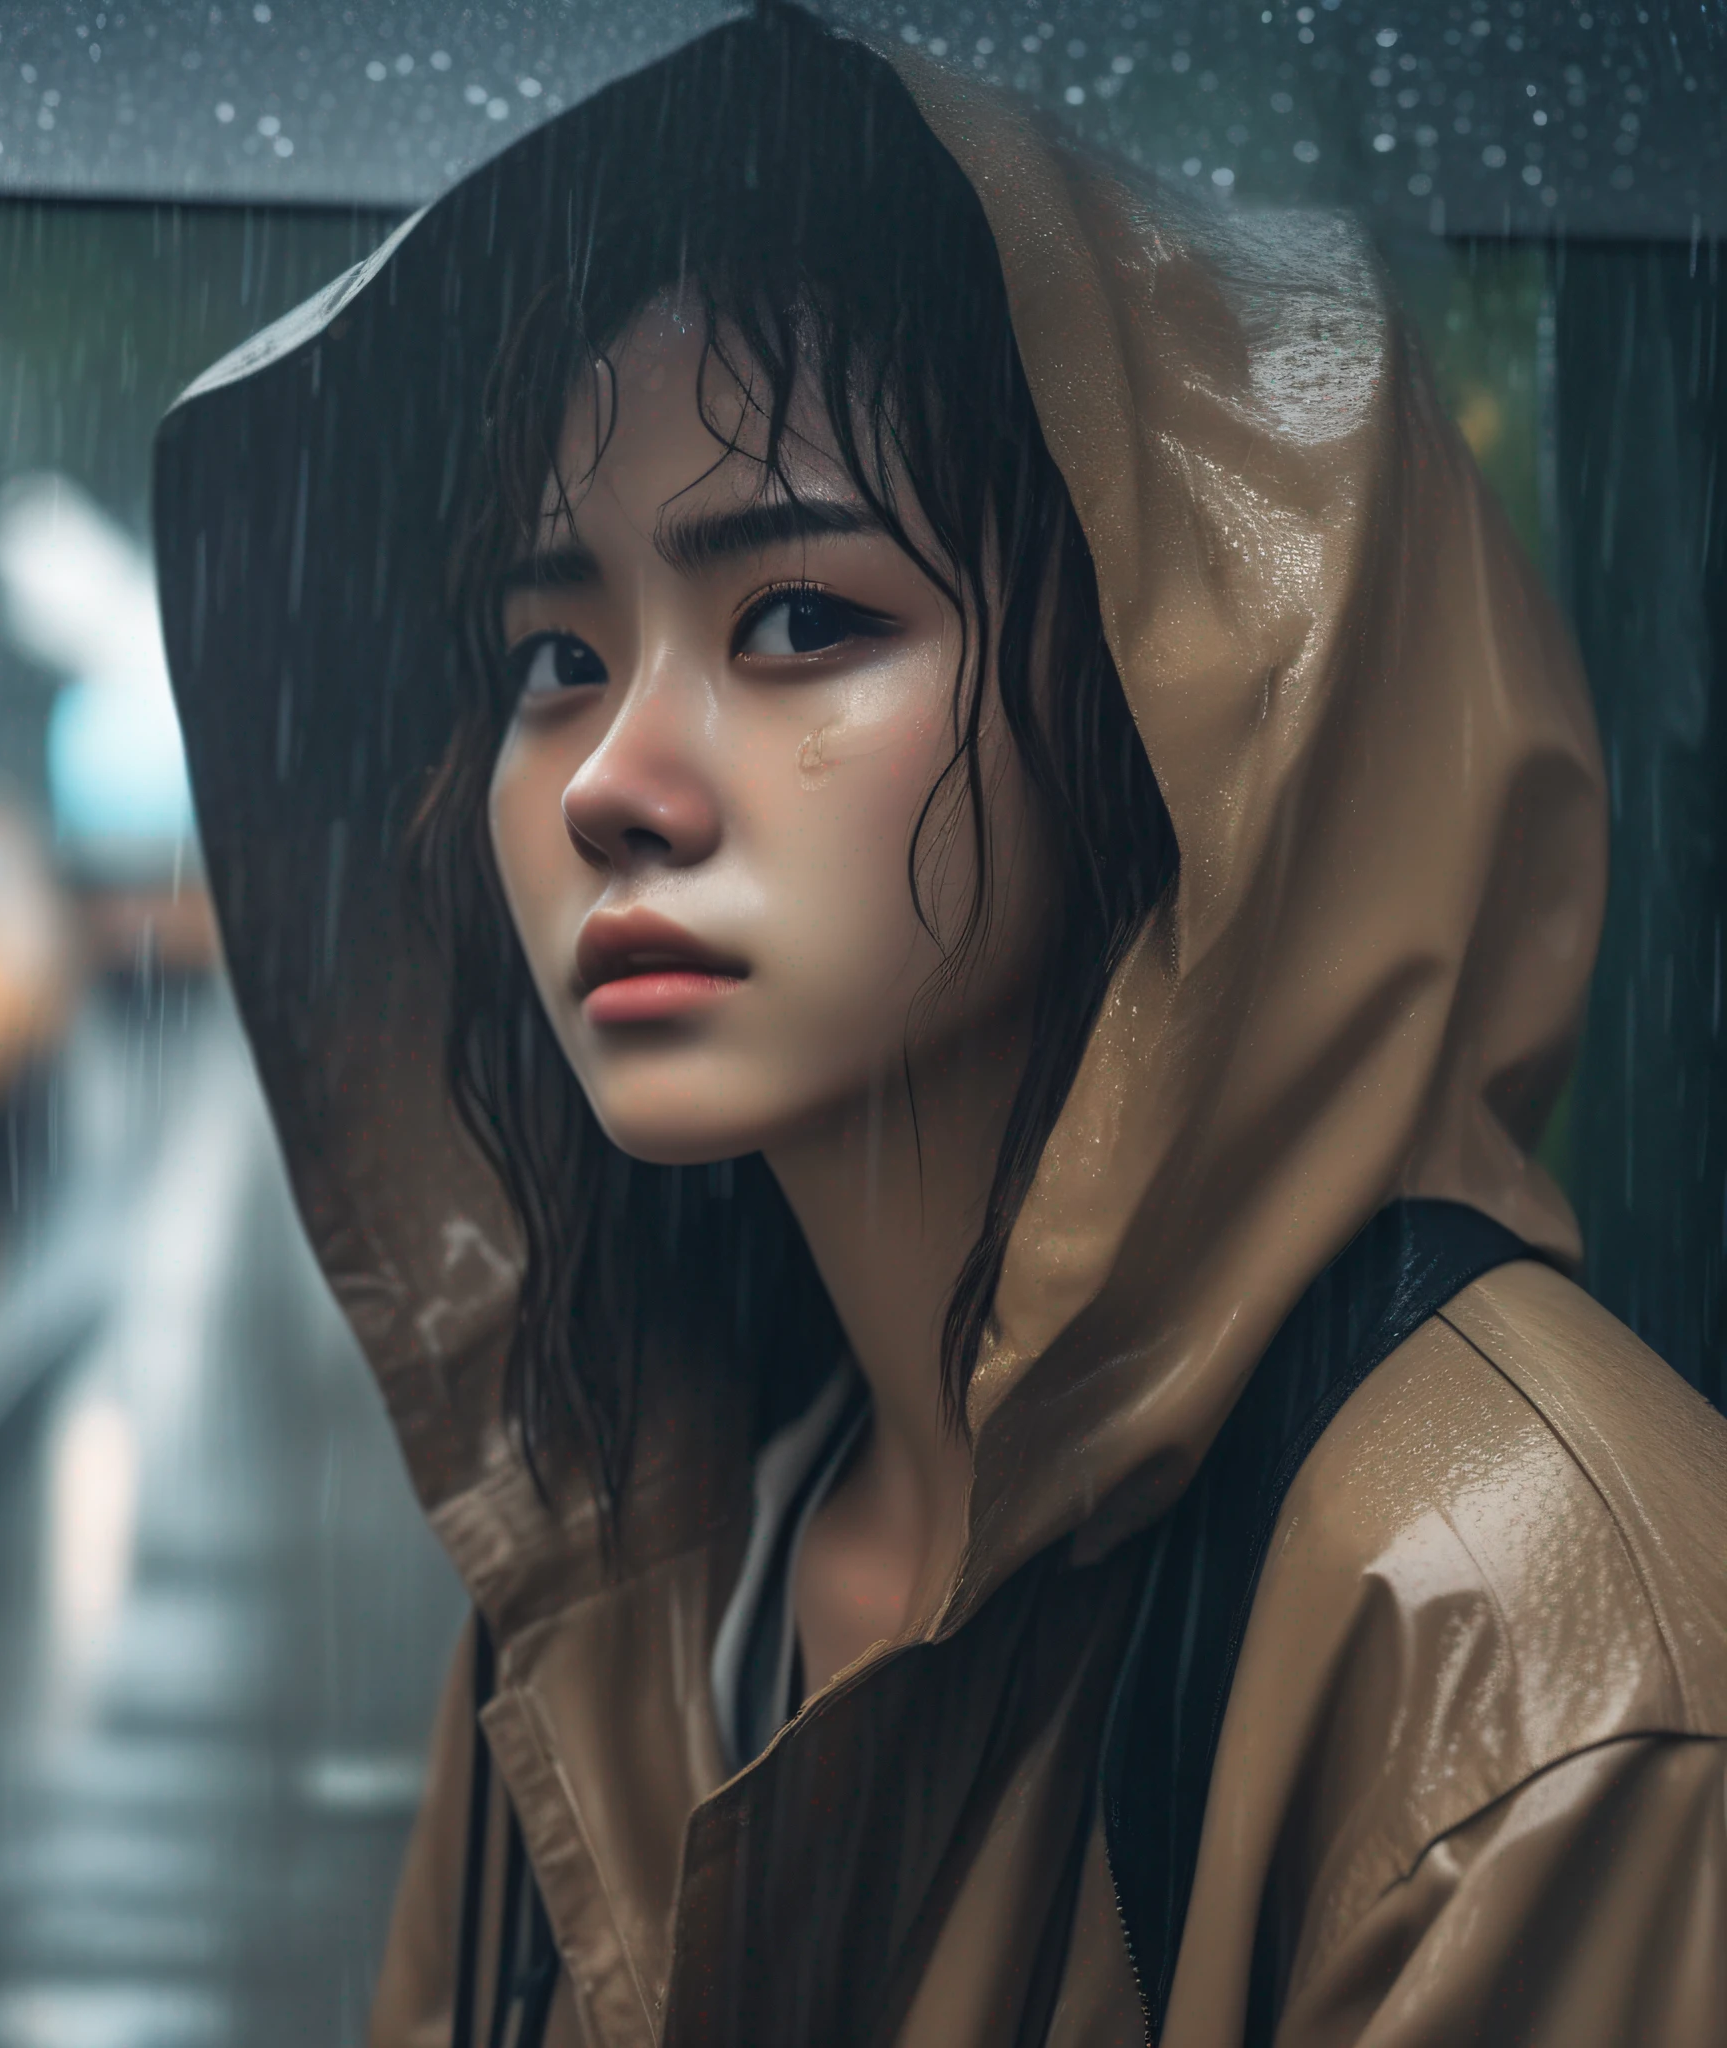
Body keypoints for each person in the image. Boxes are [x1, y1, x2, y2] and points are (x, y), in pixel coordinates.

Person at [154, 10, 1727, 2044]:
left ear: (1176, 700)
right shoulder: (624, 1569)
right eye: (552, 649)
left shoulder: (1529, 1648)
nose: (609, 779)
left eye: (800, 618)